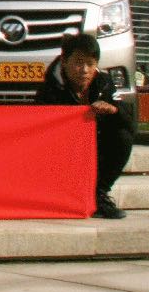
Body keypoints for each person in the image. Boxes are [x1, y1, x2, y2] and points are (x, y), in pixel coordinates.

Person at [36, 31, 135, 220]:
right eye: (78, 63)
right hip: (61, 152)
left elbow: (128, 120)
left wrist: (113, 110)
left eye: (90, 64)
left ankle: (99, 193)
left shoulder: (104, 83)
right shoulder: (48, 89)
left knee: (123, 135)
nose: (84, 70)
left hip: (94, 146)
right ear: (64, 61)